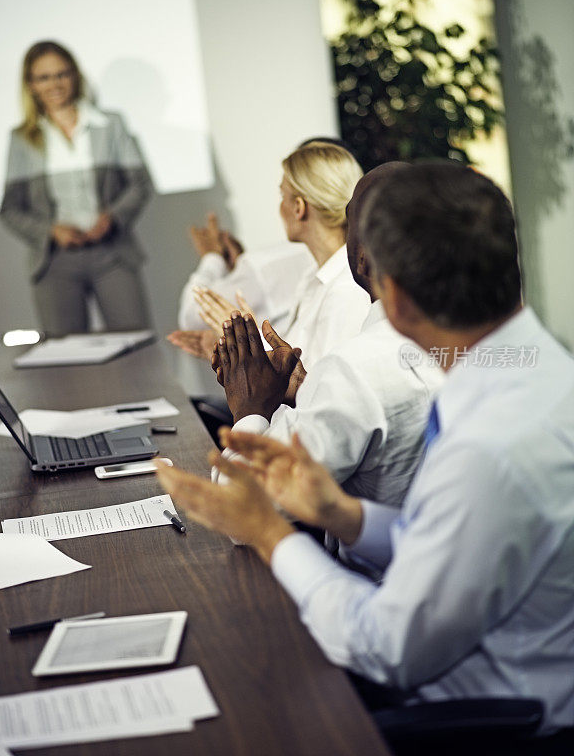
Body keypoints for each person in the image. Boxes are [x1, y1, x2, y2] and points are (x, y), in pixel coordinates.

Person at [155, 161, 574, 734]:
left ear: (392, 296)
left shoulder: (488, 445)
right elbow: (455, 543)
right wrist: (344, 515)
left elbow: (385, 646)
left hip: (487, 715)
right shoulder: (544, 367)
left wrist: (269, 533)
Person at [210, 164, 444, 508]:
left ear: (363, 258)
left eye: (351, 225)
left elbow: (239, 505)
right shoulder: (471, 345)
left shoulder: (356, 369)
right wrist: (308, 391)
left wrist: (250, 409)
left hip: (367, 560)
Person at [171, 140, 370, 371]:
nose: (280, 207)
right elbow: (297, 360)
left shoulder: (345, 291)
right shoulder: (315, 277)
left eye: (282, 196)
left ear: (298, 207)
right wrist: (242, 347)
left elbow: (315, 389)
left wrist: (247, 341)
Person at [0, 41, 153, 336]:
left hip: (112, 253)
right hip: (55, 261)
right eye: (44, 77)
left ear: (75, 76)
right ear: (31, 85)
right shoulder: (22, 139)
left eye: (62, 74)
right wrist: (50, 230)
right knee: (66, 357)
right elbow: (10, 209)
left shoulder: (109, 124)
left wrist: (113, 217)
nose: (55, 84)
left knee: (136, 345)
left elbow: (140, 184)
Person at [172, 212, 314, 359]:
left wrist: (213, 258)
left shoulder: (263, 268)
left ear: (299, 205)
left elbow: (193, 315)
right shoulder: (298, 258)